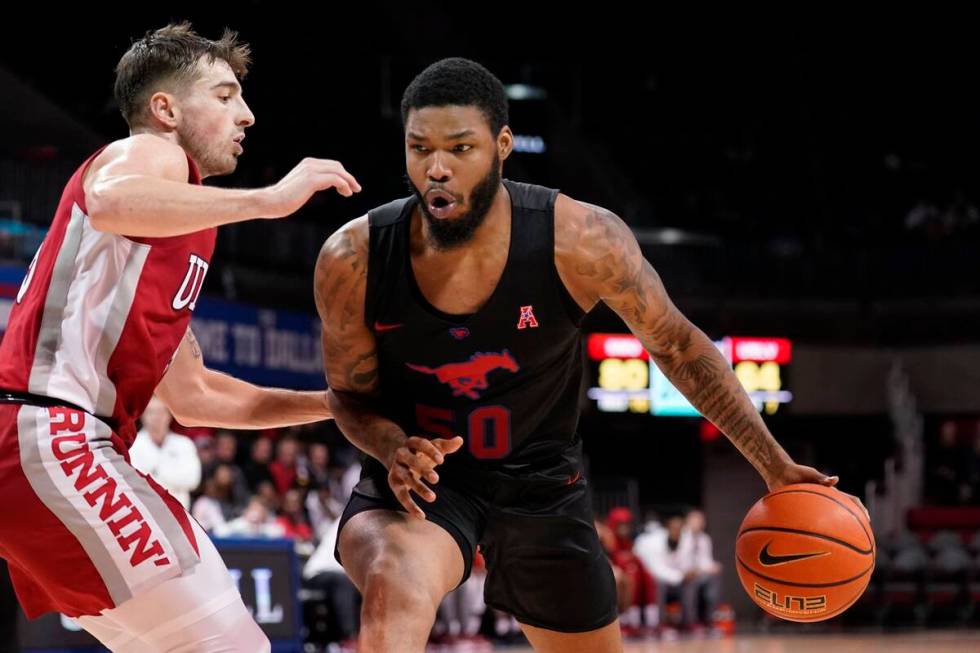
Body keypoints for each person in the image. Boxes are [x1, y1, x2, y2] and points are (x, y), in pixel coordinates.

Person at [316, 57, 862, 653]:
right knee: (394, 584)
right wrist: (391, 445)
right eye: (419, 149)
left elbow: (679, 346)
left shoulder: (581, 239)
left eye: (460, 148)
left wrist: (773, 465)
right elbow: (348, 396)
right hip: (425, 481)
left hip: (542, 480)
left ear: (502, 146)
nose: (438, 168)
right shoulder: (354, 259)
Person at [0, 22, 357, 652]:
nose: (246, 115)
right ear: (165, 109)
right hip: (53, 437)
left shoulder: (176, 229)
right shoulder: (153, 154)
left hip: (53, 449)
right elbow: (110, 199)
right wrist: (271, 200)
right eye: (224, 96)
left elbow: (196, 397)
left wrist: (327, 405)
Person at [128, 396, 201, 508]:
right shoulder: (133, 445)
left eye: (160, 412)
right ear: (142, 415)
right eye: (151, 412)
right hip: (146, 510)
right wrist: (174, 475)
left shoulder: (184, 443)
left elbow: (192, 480)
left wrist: (156, 472)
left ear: (169, 415)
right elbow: (135, 483)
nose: (156, 417)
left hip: (181, 511)